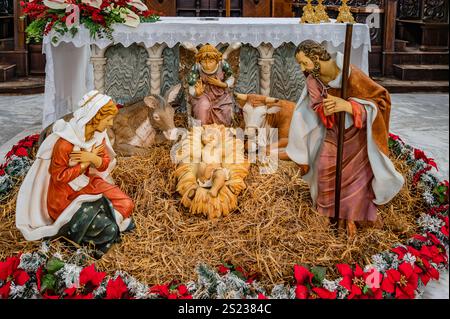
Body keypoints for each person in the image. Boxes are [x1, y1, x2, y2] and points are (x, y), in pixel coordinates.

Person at [286, 40, 404, 237]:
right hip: (333, 132)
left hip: (358, 137)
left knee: (358, 179)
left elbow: (381, 101)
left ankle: (352, 217)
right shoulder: (312, 80)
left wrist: (348, 106)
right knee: (325, 167)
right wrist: (326, 108)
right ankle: (325, 214)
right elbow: (315, 107)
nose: (301, 68)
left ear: (315, 58)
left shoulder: (350, 73)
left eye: (303, 62)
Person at [16, 90, 134, 254]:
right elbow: (59, 177)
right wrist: (84, 164)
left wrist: (93, 158)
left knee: (127, 204)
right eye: (108, 119)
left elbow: (104, 164)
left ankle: (108, 221)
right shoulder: (65, 143)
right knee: (109, 229)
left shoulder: (98, 135)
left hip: (86, 184)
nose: (110, 124)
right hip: (64, 197)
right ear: (95, 117)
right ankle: (103, 226)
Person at [187, 44, 235, 126]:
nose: (207, 65)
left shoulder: (223, 64)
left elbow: (231, 78)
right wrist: (196, 93)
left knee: (225, 110)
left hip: (221, 95)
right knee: (202, 107)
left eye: (211, 61)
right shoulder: (197, 67)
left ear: (217, 60)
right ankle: (201, 131)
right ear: (200, 61)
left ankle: (222, 132)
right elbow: (191, 86)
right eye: (204, 62)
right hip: (203, 94)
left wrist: (222, 84)